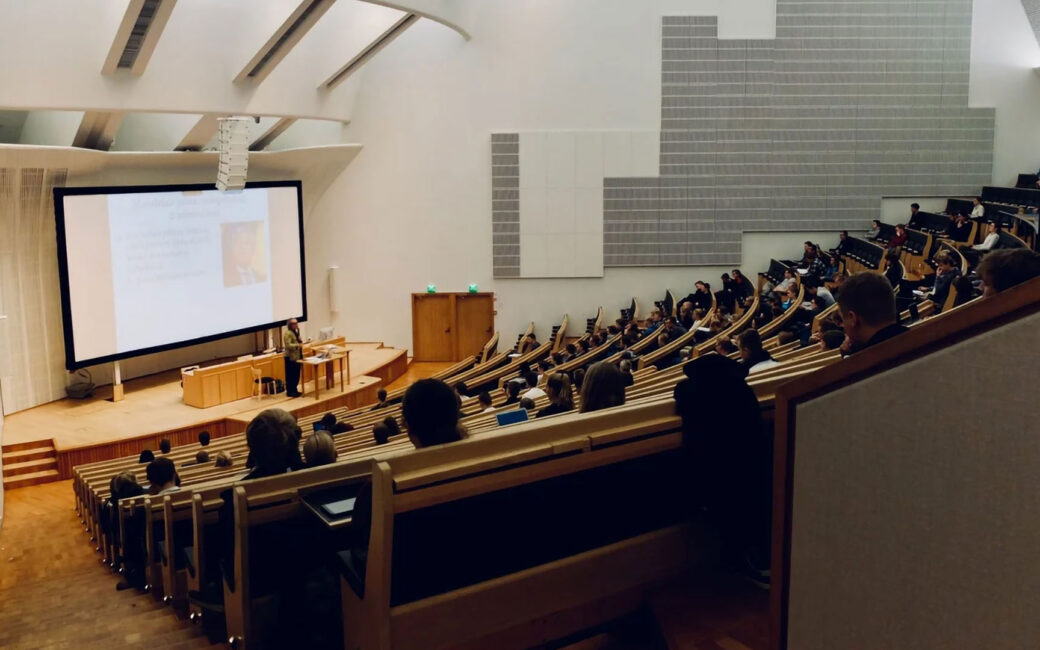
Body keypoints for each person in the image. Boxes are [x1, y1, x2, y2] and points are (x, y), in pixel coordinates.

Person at [673, 355, 771, 585]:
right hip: (751, 472)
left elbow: (682, 393)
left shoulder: (697, 398)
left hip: (718, 478)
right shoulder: (743, 394)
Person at [837, 272, 907, 354]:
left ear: (853, 318)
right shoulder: (920, 338)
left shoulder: (866, 363)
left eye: (843, 319)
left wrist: (848, 357)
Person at [283, 318, 304, 398]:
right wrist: (297, 345)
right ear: (290, 325)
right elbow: (288, 345)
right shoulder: (288, 333)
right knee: (291, 375)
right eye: (294, 323)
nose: (296, 325)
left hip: (296, 357)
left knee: (296, 375)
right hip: (290, 358)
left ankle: (294, 390)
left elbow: (298, 343)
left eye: (296, 323)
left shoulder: (295, 332)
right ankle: (290, 391)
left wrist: (299, 341)